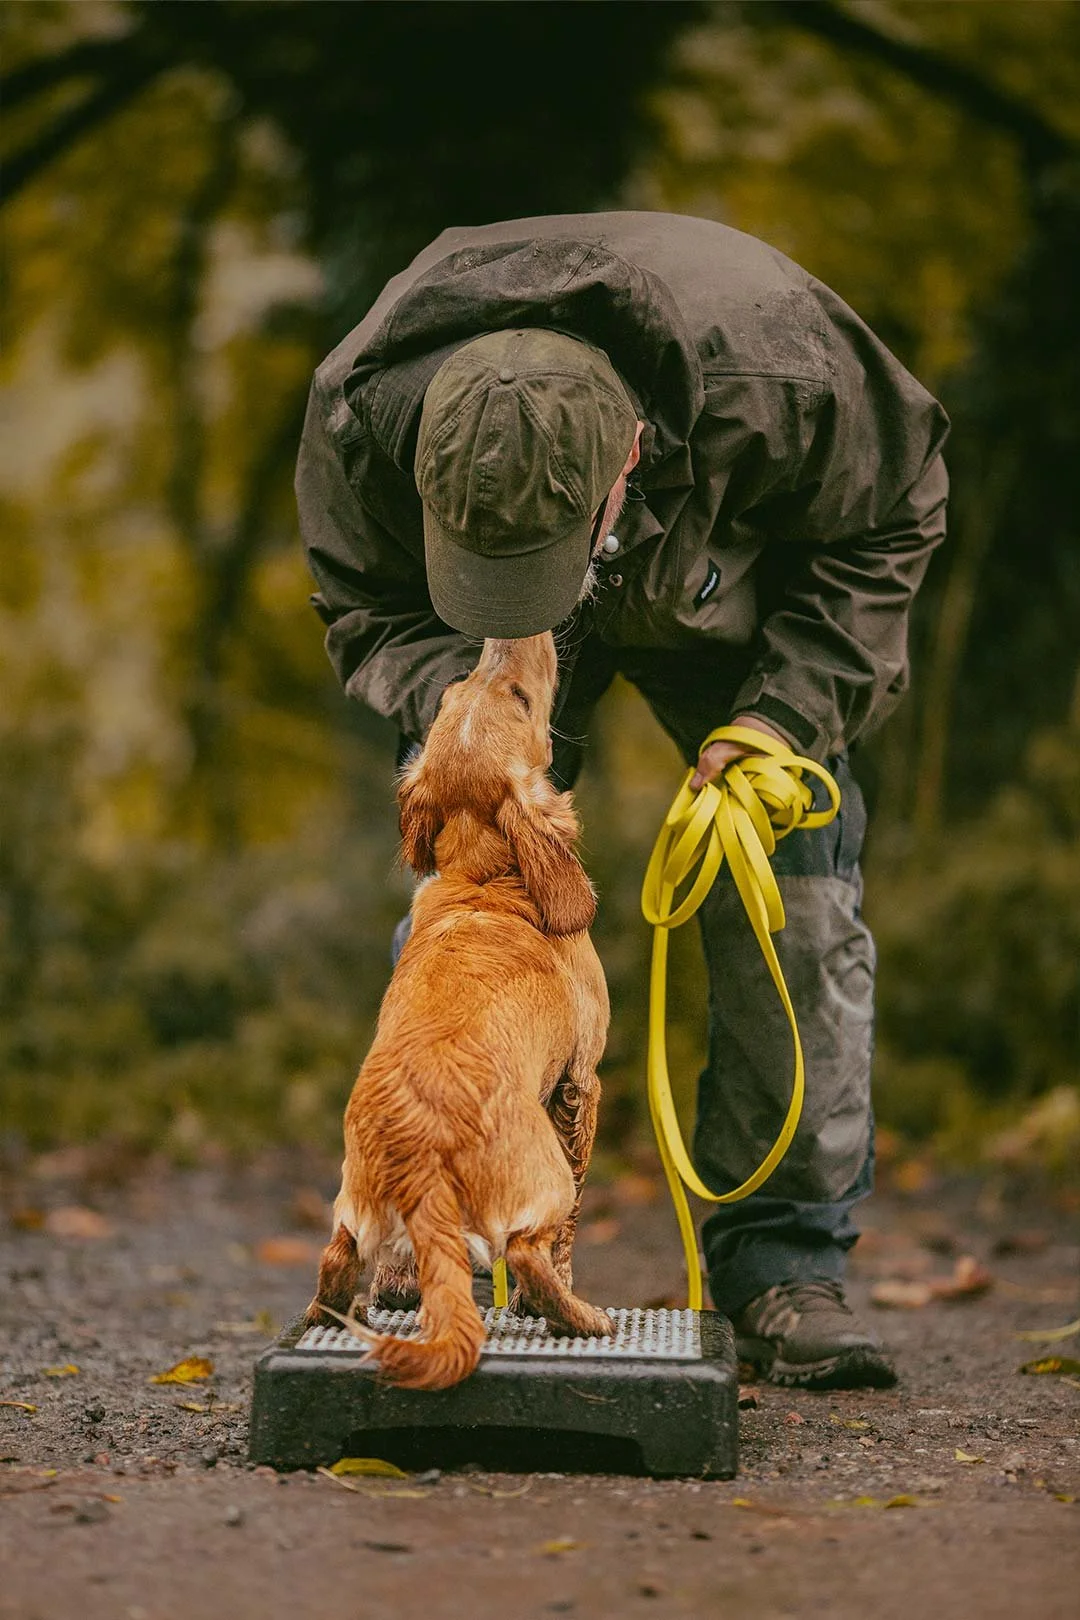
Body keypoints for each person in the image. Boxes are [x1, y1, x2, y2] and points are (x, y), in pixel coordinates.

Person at [295, 212, 949, 1390]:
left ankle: (783, 1265)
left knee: (790, 902)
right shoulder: (360, 413)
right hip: (476, 654)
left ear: (630, 460)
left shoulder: (779, 368)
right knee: (466, 904)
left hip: (737, 597)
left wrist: (782, 718)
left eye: (543, 554)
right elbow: (357, 598)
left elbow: (892, 517)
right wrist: (461, 712)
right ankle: (415, 1221)